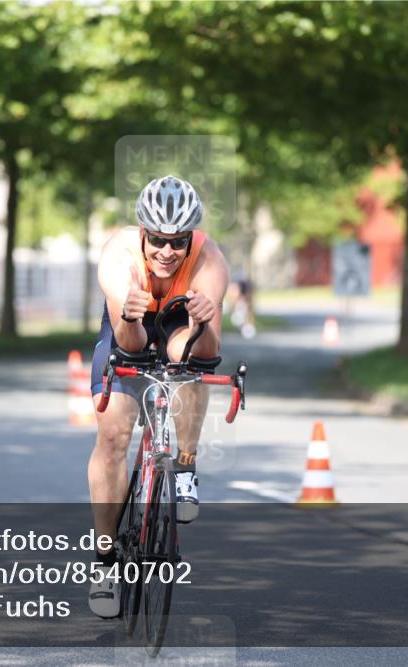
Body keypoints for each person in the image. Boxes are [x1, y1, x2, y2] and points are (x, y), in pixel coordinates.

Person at [87, 175, 229, 618]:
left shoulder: (209, 259)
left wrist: (203, 321)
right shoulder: (119, 258)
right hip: (127, 327)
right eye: (158, 241)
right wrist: (129, 312)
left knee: (189, 360)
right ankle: (106, 565)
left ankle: (184, 466)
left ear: (191, 240)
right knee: (113, 440)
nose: (167, 252)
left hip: (178, 326)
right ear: (143, 234)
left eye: (178, 241)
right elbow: (130, 345)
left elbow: (206, 353)